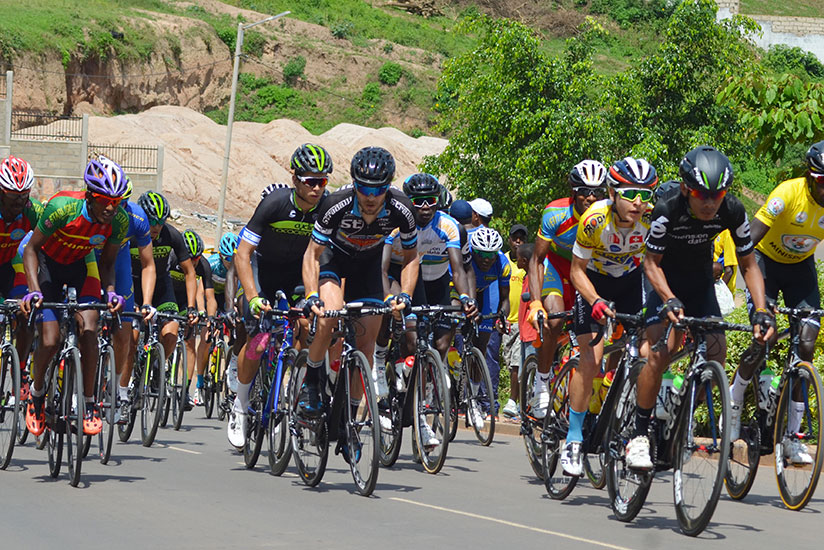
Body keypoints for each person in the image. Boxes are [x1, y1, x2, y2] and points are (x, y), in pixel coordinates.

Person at [629, 145, 774, 470]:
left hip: (699, 282)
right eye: (701, 195)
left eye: (717, 195)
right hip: (664, 279)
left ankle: (678, 415)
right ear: (685, 189)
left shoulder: (732, 211)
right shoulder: (667, 208)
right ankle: (639, 435)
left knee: (717, 352)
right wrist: (667, 297)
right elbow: (650, 264)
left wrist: (761, 310)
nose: (710, 203)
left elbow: (749, 265)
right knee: (658, 351)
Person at [300, 146, 418, 436]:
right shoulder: (336, 203)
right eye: (363, 188)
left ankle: (350, 418)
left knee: (366, 345)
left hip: (367, 267)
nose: (370, 196)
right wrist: (311, 295)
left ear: (387, 187)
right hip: (333, 260)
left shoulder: (402, 208)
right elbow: (312, 254)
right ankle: (312, 382)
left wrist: (406, 294)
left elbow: (413, 256)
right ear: (354, 183)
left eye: (377, 190)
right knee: (328, 317)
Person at [228, 143, 333, 449]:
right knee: (259, 339)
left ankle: (286, 400)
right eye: (310, 181)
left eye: (322, 181)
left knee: (302, 329)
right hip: (265, 270)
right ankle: (241, 404)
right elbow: (243, 253)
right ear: (295, 178)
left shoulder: (326, 208)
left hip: (298, 274)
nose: (316, 187)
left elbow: (328, 256)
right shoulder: (273, 204)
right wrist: (252, 297)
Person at [728, 139, 824, 464]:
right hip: (765, 263)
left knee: (807, 345)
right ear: (811, 177)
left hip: (801, 269)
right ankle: (737, 394)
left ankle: (794, 437)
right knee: (762, 336)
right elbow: (749, 240)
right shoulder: (787, 193)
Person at [564, 157, 657, 475]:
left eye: (647, 193)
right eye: (630, 193)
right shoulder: (594, 219)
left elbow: (657, 265)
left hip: (629, 284)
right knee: (591, 360)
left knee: (646, 354)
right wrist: (595, 300)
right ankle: (573, 440)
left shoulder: (650, 219)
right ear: (613, 192)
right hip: (593, 283)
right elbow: (576, 272)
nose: (639, 202)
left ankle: (633, 428)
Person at [22, 159, 129, 436]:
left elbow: (107, 263)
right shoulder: (61, 207)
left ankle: (89, 402)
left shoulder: (118, 221)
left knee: (90, 329)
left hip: (84, 267)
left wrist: (113, 292)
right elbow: (31, 250)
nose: (110, 207)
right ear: (91, 196)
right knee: (50, 339)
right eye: (105, 200)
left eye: (116, 202)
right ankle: (36, 394)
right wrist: (34, 290)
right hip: (49, 266)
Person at [527, 160, 607, 419]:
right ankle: (541, 382)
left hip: (587, 271)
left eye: (598, 191)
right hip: (556, 268)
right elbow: (537, 259)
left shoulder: (608, 216)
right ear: (573, 191)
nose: (591, 197)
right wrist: (536, 302)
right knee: (554, 322)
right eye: (585, 190)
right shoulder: (555, 214)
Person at [91, 161, 156, 423]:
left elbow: (149, 264)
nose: (117, 208)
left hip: (118, 265)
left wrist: (148, 303)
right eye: (113, 201)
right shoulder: (95, 212)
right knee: (84, 323)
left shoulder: (137, 218)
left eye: (123, 202)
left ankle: (117, 390)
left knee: (125, 334)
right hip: (90, 260)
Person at [131, 191, 199, 386]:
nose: (157, 227)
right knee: (132, 335)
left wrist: (192, 306)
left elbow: (190, 273)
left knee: (171, 332)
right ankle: (128, 376)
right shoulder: (131, 234)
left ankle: (158, 365)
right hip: (133, 285)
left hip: (161, 285)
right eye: (152, 221)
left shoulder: (171, 235)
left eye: (161, 221)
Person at [0, 156, 43, 391]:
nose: (20, 201)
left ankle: (21, 369)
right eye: (13, 196)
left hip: (11, 265)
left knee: (26, 314)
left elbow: (46, 246)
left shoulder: (32, 210)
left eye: (24, 195)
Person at [466, 226, 510, 427]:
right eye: (482, 254)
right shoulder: (464, 256)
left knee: (481, 345)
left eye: (490, 255)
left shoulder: (502, 263)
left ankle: (473, 401)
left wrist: (502, 317)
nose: (486, 259)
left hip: (485, 293)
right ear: (474, 251)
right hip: (461, 290)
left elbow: (504, 299)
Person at [169, 229, 217, 407]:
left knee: (189, 342)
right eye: (191, 259)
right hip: (168, 295)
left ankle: (185, 391)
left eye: (197, 257)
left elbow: (210, 297)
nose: (194, 262)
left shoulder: (204, 265)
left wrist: (210, 319)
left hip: (186, 301)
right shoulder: (172, 258)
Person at [501, 224, 528, 419]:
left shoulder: (527, 262)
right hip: (506, 322)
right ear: (509, 240)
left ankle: (513, 400)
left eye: (521, 238)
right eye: (515, 238)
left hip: (523, 321)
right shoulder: (503, 261)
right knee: (508, 361)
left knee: (517, 363)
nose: (518, 241)